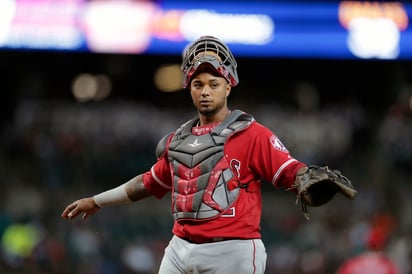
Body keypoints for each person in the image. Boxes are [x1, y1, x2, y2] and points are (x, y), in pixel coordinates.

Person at [61, 35, 356, 274]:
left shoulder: (252, 134)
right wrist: (96, 200)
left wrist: (305, 176)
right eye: (198, 84)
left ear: (228, 87)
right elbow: (147, 184)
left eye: (214, 84)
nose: (205, 91)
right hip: (179, 248)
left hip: (233, 252)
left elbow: (289, 169)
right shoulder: (177, 141)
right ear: (189, 88)